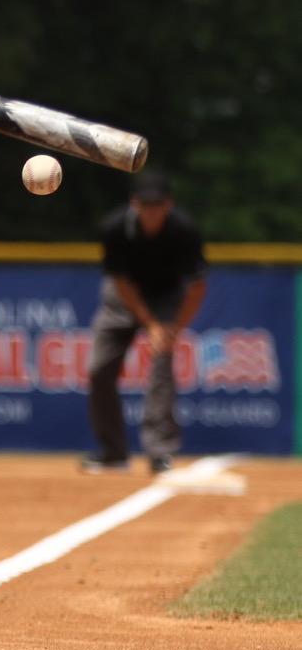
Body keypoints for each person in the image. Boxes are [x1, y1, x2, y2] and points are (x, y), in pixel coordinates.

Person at [81, 169, 207, 475]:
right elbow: (122, 284)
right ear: (134, 203)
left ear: (169, 204)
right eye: (145, 204)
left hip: (166, 296)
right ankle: (113, 453)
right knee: (99, 369)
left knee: (161, 368)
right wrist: (149, 324)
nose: (152, 211)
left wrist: (174, 327)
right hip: (122, 297)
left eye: (158, 204)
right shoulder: (114, 228)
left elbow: (197, 287)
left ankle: (160, 452)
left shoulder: (185, 231)